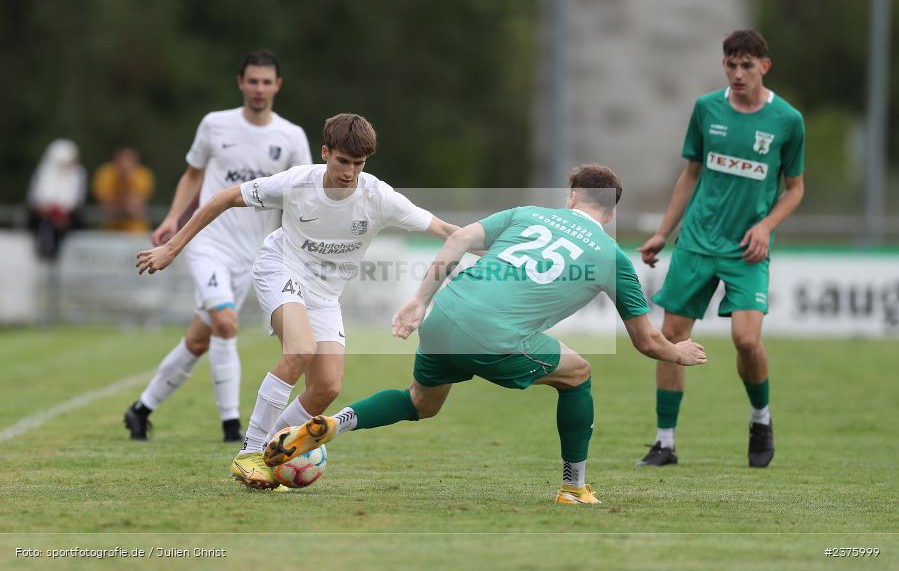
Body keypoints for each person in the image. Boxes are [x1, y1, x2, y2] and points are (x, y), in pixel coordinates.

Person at [263, 164, 708, 505]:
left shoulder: (526, 214)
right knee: (579, 375)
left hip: (444, 315)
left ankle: (331, 423)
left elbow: (457, 241)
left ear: (572, 197)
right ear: (611, 212)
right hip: (496, 338)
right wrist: (678, 352)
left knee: (421, 401)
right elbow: (646, 341)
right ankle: (574, 488)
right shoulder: (612, 256)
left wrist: (419, 300)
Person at [136, 113, 463, 490]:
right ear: (325, 153)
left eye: (359, 164)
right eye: (343, 161)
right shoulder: (296, 183)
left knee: (328, 386)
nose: (350, 172)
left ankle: (273, 452)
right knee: (300, 350)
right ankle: (249, 453)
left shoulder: (379, 197)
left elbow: (445, 230)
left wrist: (495, 245)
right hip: (280, 268)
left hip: (326, 293)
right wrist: (172, 247)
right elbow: (226, 197)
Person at [635, 30, 805, 468]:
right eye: (730, 64)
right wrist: (663, 232)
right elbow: (690, 174)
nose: (737, 73)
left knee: (746, 340)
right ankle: (665, 443)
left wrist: (767, 226)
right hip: (696, 241)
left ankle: (760, 419)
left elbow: (795, 189)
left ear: (765, 66)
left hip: (746, 247)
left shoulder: (787, 120)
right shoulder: (707, 109)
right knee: (671, 337)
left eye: (746, 65)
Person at [124, 50, 313, 442]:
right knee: (226, 323)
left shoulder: (291, 137)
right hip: (208, 242)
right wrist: (173, 219)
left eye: (266, 82)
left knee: (199, 338)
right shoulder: (215, 125)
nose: (258, 88)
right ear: (240, 83)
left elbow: (302, 195)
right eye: (252, 81)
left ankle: (140, 409)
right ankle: (231, 426)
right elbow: (192, 175)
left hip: (253, 254)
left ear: (277, 86)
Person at [27, 139, 86, 260]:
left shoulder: (77, 174)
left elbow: (75, 200)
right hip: (45, 215)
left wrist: (60, 213)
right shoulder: (44, 172)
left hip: (66, 217)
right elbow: (37, 198)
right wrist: (52, 212)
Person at [92, 147, 155, 232]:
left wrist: (127, 181)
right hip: (110, 231)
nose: (124, 165)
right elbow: (106, 205)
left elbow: (134, 207)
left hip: (136, 231)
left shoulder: (143, 175)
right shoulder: (106, 174)